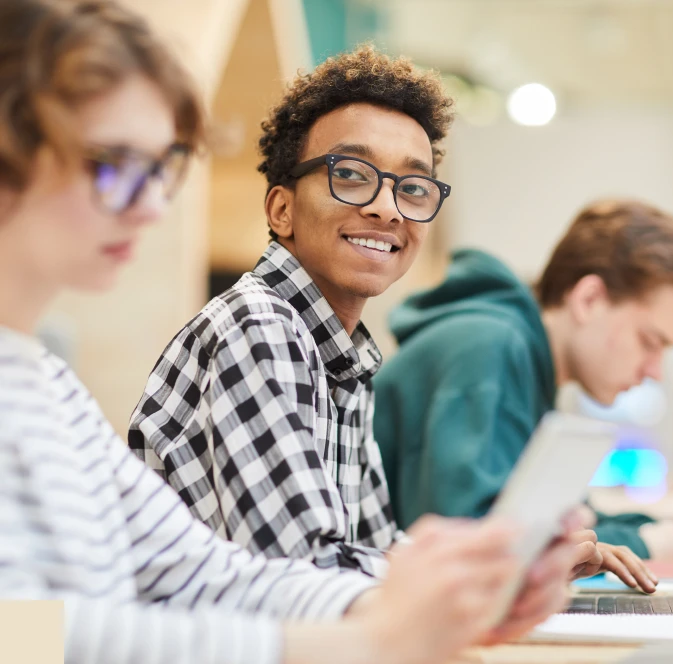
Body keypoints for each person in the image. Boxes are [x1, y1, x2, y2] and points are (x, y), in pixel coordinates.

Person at [0, 2, 582, 662]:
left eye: (161, 170)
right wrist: (370, 635)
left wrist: (441, 598)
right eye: (114, 165)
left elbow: (206, 572)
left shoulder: (49, 385)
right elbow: (17, 634)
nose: (155, 205)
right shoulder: (256, 327)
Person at [127, 44, 656, 591]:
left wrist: (519, 564)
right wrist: (488, 570)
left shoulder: (344, 358)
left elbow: (376, 549)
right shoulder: (260, 328)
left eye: (413, 187)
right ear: (280, 209)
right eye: (352, 175)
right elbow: (306, 573)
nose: (387, 208)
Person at [373, 200, 673, 562]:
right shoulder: (490, 346)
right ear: (589, 300)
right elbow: (477, 546)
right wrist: (650, 542)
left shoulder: (523, 357)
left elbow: (552, 523)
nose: (655, 371)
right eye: (650, 342)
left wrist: (663, 528)